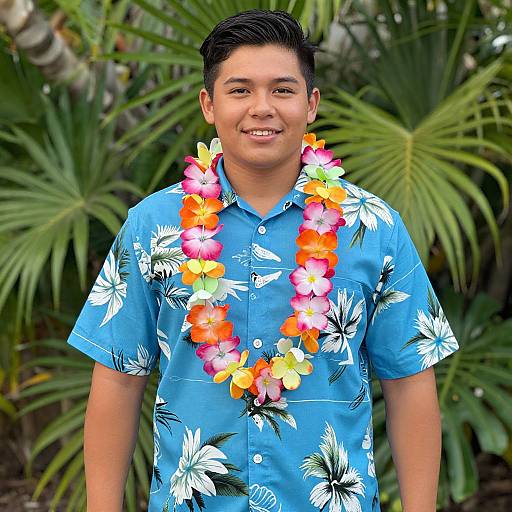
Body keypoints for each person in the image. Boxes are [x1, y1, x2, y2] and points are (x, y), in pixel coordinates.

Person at [68, 9, 459, 512]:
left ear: (311, 103)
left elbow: (409, 383)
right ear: (208, 104)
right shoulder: (153, 225)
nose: (261, 108)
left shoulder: (372, 227)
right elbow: (120, 378)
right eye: (239, 90)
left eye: (282, 89)